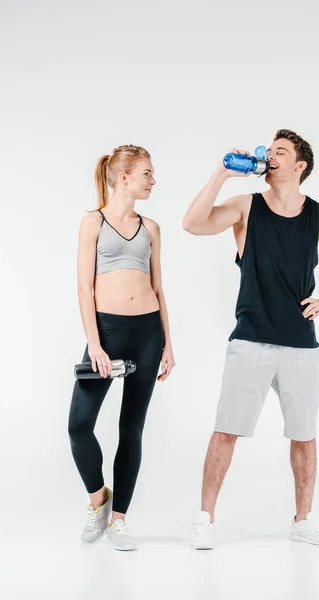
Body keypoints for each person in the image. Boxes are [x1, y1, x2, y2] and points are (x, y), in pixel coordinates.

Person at [183, 129, 319, 549]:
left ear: (299, 167)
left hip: (300, 343)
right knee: (226, 430)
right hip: (251, 340)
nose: (270, 156)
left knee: (304, 434)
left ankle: (303, 519)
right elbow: (192, 224)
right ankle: (204, 519)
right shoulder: (246, 207)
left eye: (281, 152)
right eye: (270, 150)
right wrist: (221, 174)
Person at [68, 144, 175, 551]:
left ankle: (119, 520)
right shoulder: (92, 222)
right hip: (107, 334)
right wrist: (94, 343)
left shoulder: (152, 228)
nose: (153, 180)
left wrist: (167, 344)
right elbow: (84, 288)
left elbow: (159, 288)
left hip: (147, 333)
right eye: (147, 173)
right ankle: (99, 499)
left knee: (131, 427)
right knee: (79, 424)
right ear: (124, 177)